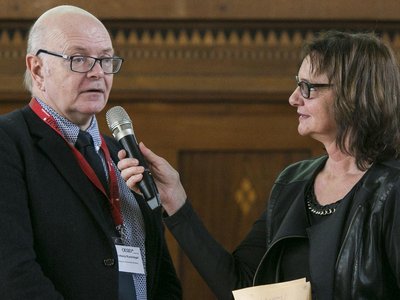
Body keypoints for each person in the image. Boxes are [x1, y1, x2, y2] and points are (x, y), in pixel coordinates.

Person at [117, 31, 400, 299]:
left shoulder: (392, 190)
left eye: (307, 87)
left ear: (353, 94)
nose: (293, 98)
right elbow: (240, 287)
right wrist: (175, 203)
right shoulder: (293, 182)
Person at [0, 5, 181, 300]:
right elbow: (13, 275)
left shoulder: (123, 154)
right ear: (37, 69)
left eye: (105, 59)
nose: (98, 72)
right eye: (79, 59)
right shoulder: (8, 143)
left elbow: (161, 274)